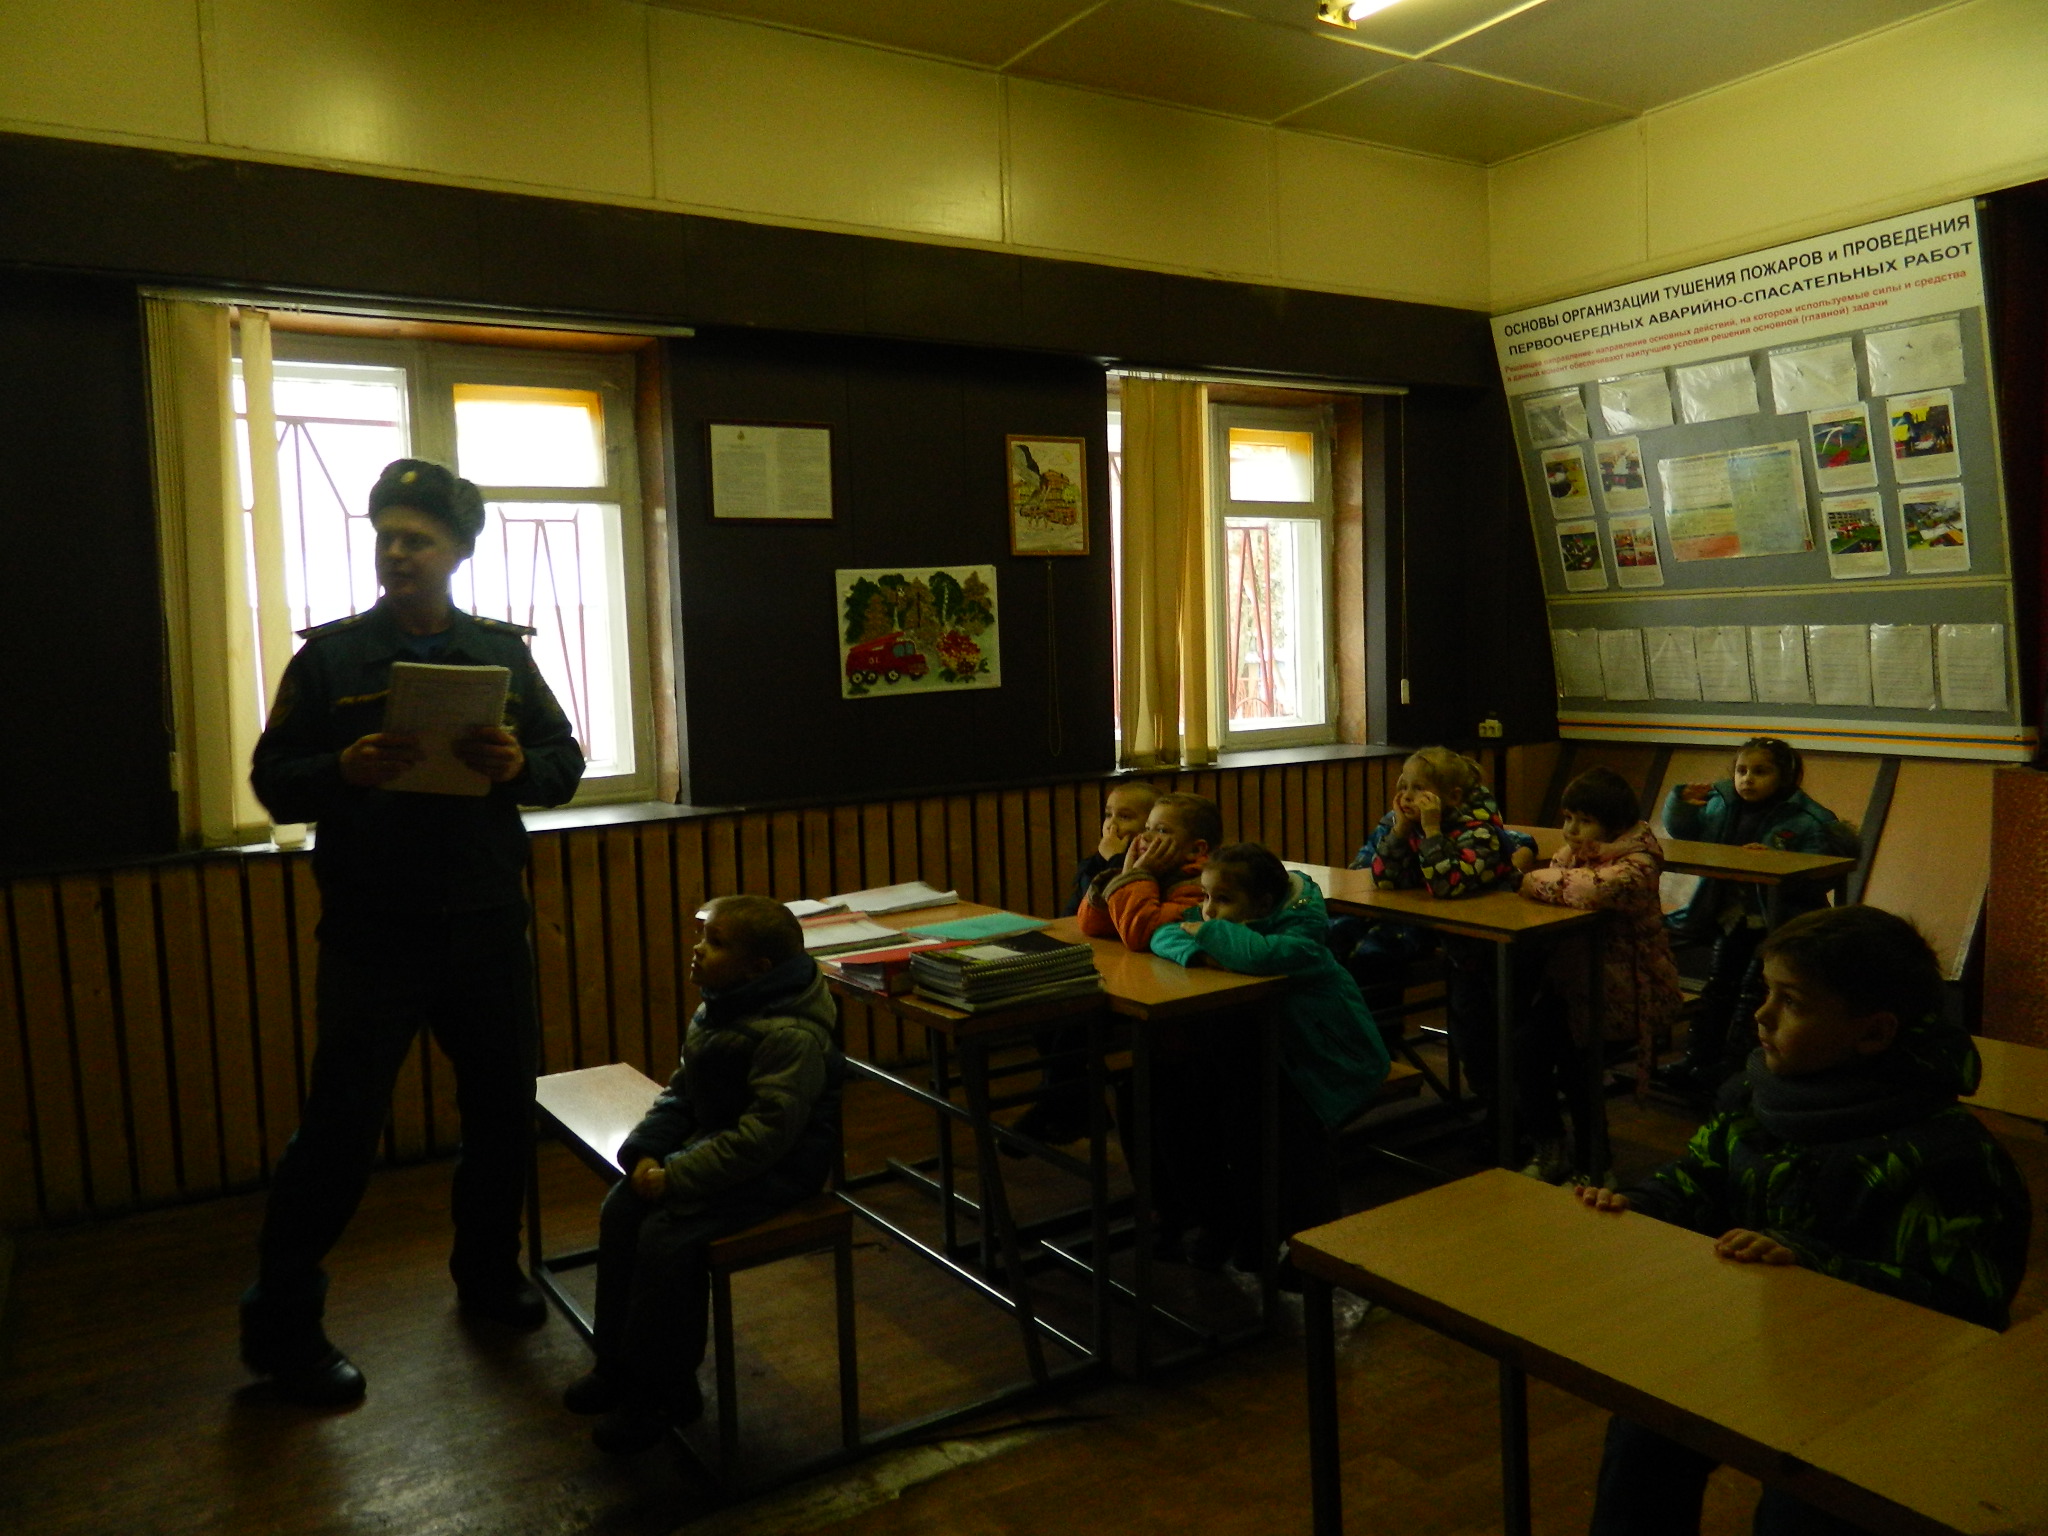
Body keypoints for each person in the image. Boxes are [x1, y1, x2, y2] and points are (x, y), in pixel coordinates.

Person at [238, 458, 586, 1407]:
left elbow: (562, 760)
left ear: (458, 552)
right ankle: (283, 1328)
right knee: (340, 1131)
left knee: (502, 1114)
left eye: (417, 538)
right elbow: (272, 781)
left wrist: (518, 765)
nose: (396, 552)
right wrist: (341, 768)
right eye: (386, 535)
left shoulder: (501, 656)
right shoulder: (330, 660)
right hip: (374, 932)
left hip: (484, 923)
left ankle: (487, 1273)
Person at [1576, 904, 2031, 1536]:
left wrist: (1814, 1263)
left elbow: (1964, 1307)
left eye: (1790, 1002)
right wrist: (1638, 1204)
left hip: (1874, 1394)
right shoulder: (1757, 1096)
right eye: (1767, 992)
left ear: (1872, 1033)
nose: (1761, 1015)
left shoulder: (1943, 1157)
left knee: (1801, 1507)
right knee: (1645, 1436)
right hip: (1755, 1345)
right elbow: (1701, 1178)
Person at [565, 895, 843, 1455]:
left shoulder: (790, 1033)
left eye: (714, 943)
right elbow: (684, 1092)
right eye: (702, 937)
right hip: (720, 1149)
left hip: (780, 1170)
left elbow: (765, 1137)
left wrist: (677, 1176)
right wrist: (647, 1152)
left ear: (757, 968)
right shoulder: (723, 1004)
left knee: (666, 1239)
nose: (696, 949)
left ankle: (662, 1393)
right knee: (621, 1209)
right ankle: (616, 1367)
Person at [1151, 844, 1390, 1272]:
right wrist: (1204, 949)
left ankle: (1314, 1257)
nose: (1208, 911)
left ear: (1262, 904)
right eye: (1204, 897)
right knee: (1220, 1124)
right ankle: (1250, 1233)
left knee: (1297, 1148)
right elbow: (1163, 934)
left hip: (1324, 1067)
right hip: (1269, 1059)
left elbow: (1263, 954)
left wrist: (1207, 937)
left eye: (1223, 900)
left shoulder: (1302, 935)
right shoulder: (1231, 924)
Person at [1655, 737, 1850, 1101]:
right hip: (1732, 917)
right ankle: (1697, 1058)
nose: (1747, 779)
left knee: (1754, 994)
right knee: (1718, 988)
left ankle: (1736, 1067)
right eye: (1742, 770)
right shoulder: (1722, 805)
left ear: (1785, 776)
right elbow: (1686, 831)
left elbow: (1822, 870)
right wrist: (1679, 802)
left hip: (1779, 922)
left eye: (1761, 771)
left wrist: (1775, 859)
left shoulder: (1806, 818)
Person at [1512, 768, 1683, 1182]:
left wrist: (1528, 877)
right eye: (1568, 818)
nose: (1571, 830)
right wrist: (1546, 881)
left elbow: (1591, 890)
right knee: (1524, 1050)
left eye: (1584, 820)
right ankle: (1549, 1147)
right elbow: (1561, 886)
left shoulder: (1639, 862)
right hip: (1573, 985)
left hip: (1626, 993)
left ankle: (1595, 1165)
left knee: (1577, 1069)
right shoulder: (1574, 855)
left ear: (1615, 823)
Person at [1009, 781, 1162, 1150]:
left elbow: (1123, 912)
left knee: (1072, 1019)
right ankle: (1074, 1102)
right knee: (1043, 1003)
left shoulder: (1157, 868)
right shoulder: (1096, 863)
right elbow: (1073, 918)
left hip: (1142, 977)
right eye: (1108, 815)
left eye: (1126, 817)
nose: (1112, 826)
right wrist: (1101, 864)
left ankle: (1059, 1102)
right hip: (1103, 964)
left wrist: (1113, 864)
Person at [1364, 748, 1523, 1101]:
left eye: (1419, 789)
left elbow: (1446, 884)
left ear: (1451, 797)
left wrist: (1432, 830)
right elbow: (1386, 880)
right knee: (1471, 1040)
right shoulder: (1415, 830)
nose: (1407, 796)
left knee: (1496, 1041)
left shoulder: (1480, 835)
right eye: (1404, 786)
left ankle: (1509, 1116)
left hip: (1496, 955)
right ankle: (1492, 1108)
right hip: (1460, 954)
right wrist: (1400, 830)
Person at [1076, 791, 1220, 951]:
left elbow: (1140, 934)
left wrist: (1137, 877)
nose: (1145, 836)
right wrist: (1125, 877)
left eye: (1162, 830)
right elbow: (1090, 924)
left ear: (1195, 850)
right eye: (1147, 828)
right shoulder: (1155, 873)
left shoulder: (1200, 887)